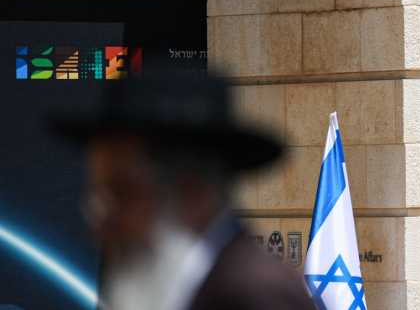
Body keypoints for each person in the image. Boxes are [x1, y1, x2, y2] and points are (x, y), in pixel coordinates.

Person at [49, 72, 316, 310]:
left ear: (192, 190)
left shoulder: (254, 293)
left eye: (122, 192)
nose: (99, 222)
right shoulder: (187, 285)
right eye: (98, 193)